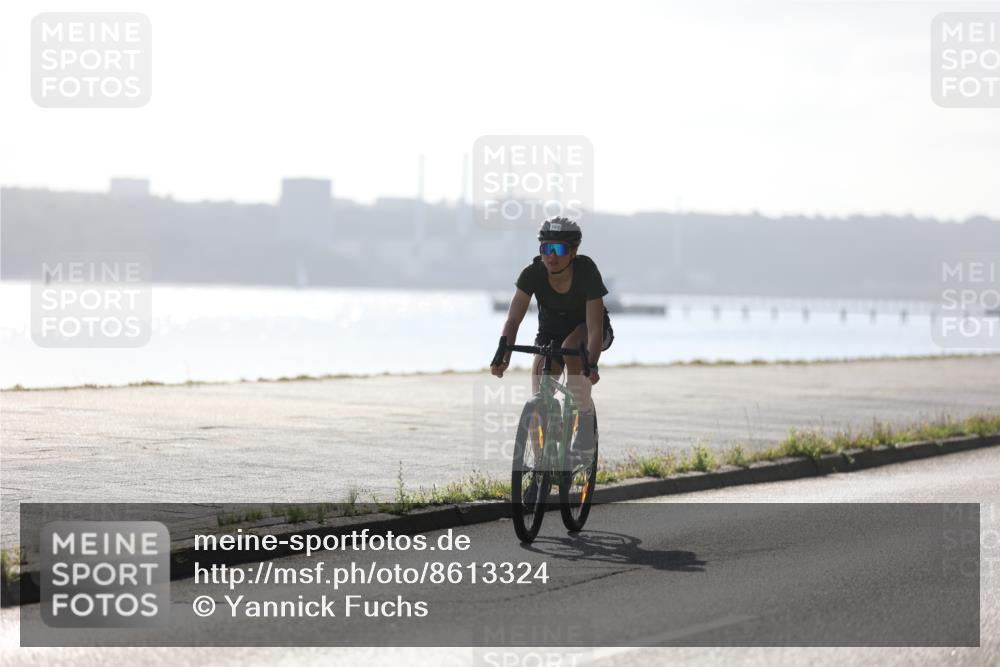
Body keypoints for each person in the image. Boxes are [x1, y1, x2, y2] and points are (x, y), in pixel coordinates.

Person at [490, 217, 613, 464]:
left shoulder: (586, 271)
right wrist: (503, 354)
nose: (551, 257)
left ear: (574, 252)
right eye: (546, 248)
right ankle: (539, 470)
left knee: (570, 347)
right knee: (539, 397)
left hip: (589, 331)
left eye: (558, 249)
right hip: (550, 335)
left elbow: (594, 326)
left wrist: (591, 364)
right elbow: (513, 319)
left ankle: (585, 418)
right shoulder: (532, 274)